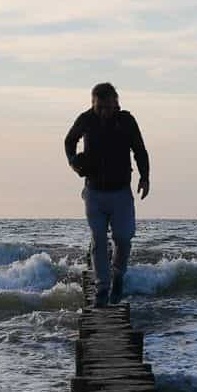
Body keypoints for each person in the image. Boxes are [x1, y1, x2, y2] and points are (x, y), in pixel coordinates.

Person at [63, 82, 150, 306]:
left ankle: (118, 275)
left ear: (116, 103)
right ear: (93, 104)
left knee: (123, 238)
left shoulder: (126, 121)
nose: (104, 112)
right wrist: (74, 162)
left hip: (121, 191)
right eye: (99, 107)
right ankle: (102, 288)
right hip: (94, 192)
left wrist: (144, 177)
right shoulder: (86, 119)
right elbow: (69, 140)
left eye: (108, 107)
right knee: (99, 240)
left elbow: (139, 149)